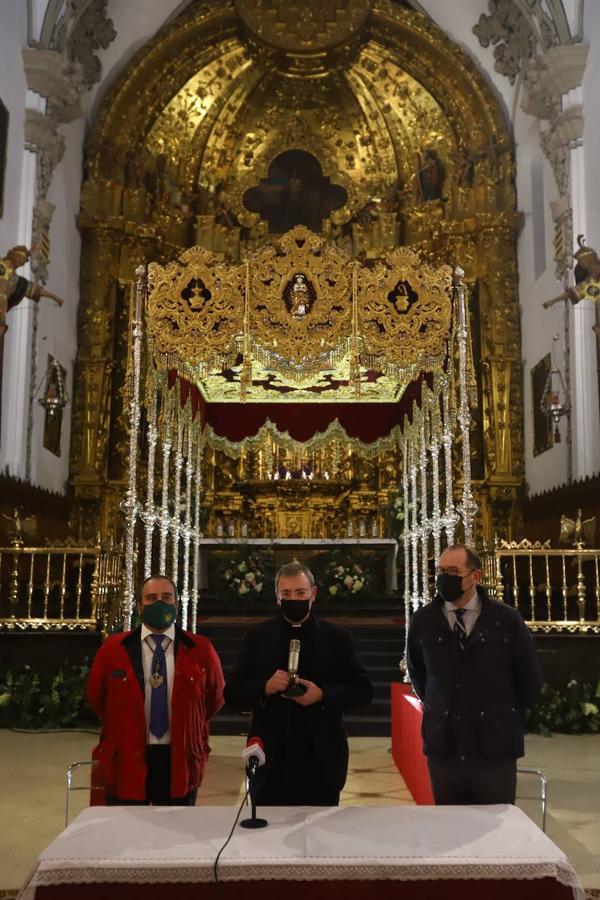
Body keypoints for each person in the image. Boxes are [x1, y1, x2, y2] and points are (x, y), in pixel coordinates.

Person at [224, 561, 373, 806]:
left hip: (321, 758)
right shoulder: (257, 637)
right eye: (287, 594)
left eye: (300, 593)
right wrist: (265, 687)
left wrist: (322, 695)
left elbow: (363, 691)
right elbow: (232, 693)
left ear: (313, 594)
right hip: (270, 758)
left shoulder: (337, 637)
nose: (294, 599)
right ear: (277, 597)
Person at [407, 543, 540, 805]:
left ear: (475, 576)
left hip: (493, 745)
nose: (445, 577)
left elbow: (529, 678)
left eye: (454, 571)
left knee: (494, 829)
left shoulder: (506, 619)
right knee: (450, 829)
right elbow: (418, 674)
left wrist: (499, 712)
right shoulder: (423, 620)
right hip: (444, 745)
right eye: (441, 571)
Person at [87, 575, 225, 805]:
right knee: (127, 831)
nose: (159, 603)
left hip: (178, 758)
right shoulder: (114, 648)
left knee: (175, 832)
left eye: (166, 597)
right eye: (151, 598)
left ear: (176, 603)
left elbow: (215, 698)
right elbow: (97, 697)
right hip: (126, 756)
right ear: (139, 606)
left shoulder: (200, 648)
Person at [0, 245, 63, 338]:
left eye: (23, 262)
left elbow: (34, 289)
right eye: (20, 259)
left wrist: (54, 297)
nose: (21, 263)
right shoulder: (2, 265)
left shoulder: (16, 280)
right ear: (14, 256)